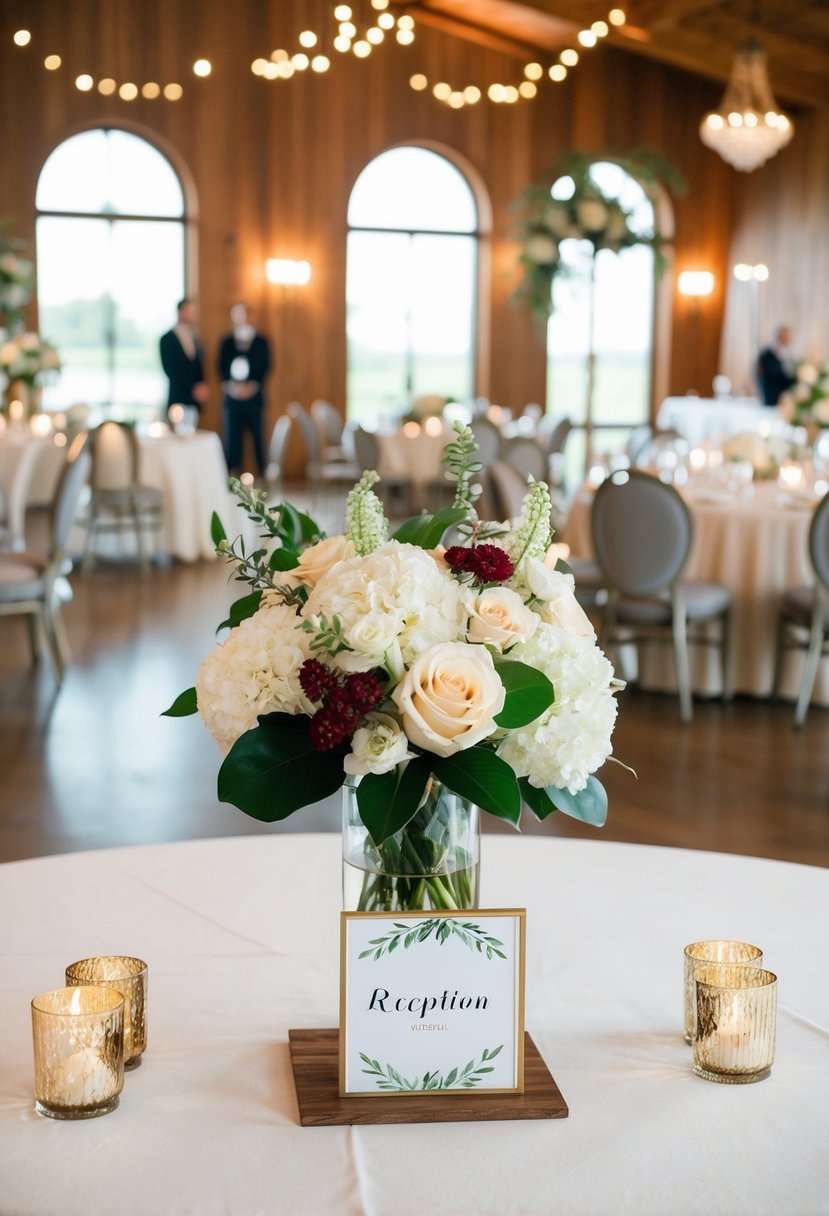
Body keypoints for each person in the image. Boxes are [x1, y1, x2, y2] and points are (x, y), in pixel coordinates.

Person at [218, 302, 272, 477]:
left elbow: (266, 366)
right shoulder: (226, 341)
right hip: (232, 400)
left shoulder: (261, 341)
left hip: (254, 399)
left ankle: (263, 477)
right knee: (232, 442)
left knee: (258, 440)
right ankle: (232, 478)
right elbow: (220, 367)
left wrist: (251, 386)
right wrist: (233, 388)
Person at [159, 298, 208, 418]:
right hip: (178, 396)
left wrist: (201, 385)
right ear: (180, 311)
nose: (191, 314)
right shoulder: (167, 339)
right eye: (188, 310)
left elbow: (199, 364)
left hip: (194, 400)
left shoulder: (195, 337)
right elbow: (170, 370)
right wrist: (191, 388)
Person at [757, 324, 796, 406]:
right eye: (784, 336)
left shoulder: (788, 354)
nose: (787, 339)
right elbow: (767, 374)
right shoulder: (766, 354)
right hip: (772, 396)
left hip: (786, 396)